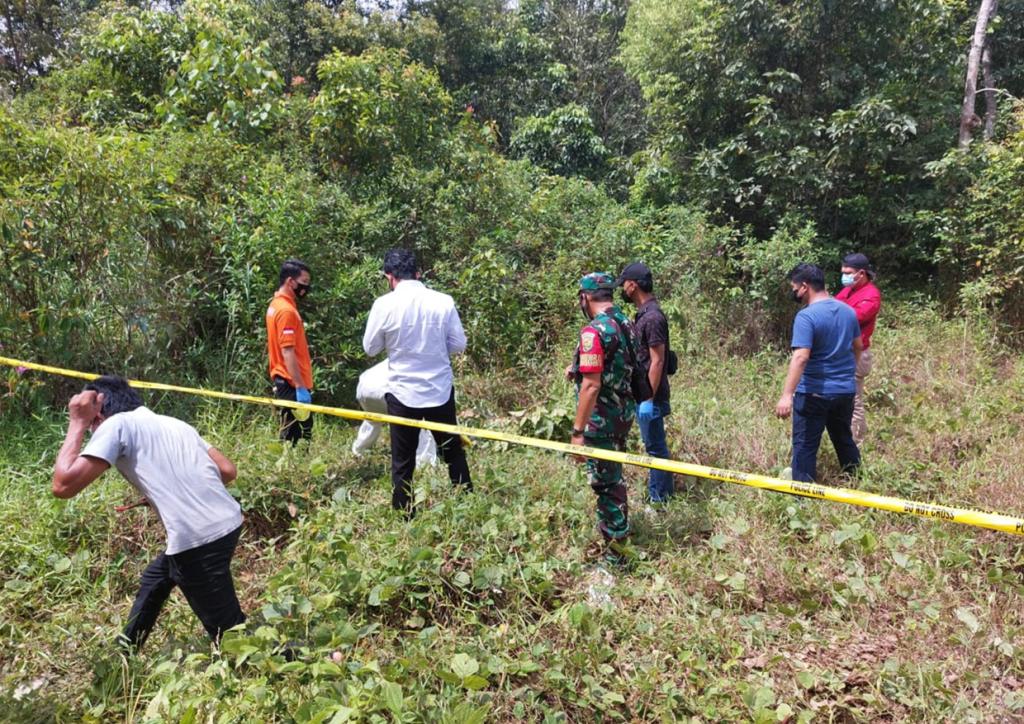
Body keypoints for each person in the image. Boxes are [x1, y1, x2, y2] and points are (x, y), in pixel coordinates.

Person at [51, 376, 245, 650]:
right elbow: (227, 470)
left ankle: (301, 661)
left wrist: (78, 423)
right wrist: (170, 492)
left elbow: (63, 485)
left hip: (199, 538)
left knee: (233, 637)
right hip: (229, 520)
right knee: (157, 578)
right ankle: (126, 651)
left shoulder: (116, 425)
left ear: (99, 409)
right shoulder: (174, 423)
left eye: (92, 419)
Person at [362, 249, 472, 515]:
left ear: (389, 276)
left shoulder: (383, 305)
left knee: (402, 460)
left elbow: (371, 348)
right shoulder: (443, 301)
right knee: (452, 452)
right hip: (439, 391)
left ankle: (404, 515)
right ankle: (467, 504)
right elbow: (459, 344)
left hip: (402, 393)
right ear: (419, 273)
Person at [569, 272, 637, 563]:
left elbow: (592, 384)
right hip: (623, 414)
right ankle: (618, 542)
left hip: (601, 421)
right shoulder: (625, 323)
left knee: (606, 486)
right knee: (613, 479)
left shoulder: (593, 332)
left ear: (585, 298)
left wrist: (577, 431)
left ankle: (616, 557)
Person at [775, 263, 862, 482]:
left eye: (795, 289)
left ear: (805, 287)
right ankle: (857, 482)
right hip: (844, 391)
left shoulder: (807, 317)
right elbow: (858, 346)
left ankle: (802, 499)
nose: (795, 294)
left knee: (804, 447)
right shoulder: (847, 311)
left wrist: (787, 395)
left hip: (814, 393)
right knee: (844, 440)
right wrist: (847, 373)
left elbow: (801, 357)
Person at [616, 262, 675, 503]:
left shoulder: (652, 318)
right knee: (654, 447)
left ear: (633, 285)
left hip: (650, 395)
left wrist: (648, 399)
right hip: (643, 394)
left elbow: (658, 360)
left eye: (625, 285)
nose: (623, 290)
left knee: (655, 449)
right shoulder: (643, 315)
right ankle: (663, 494)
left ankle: (660, 500)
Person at [351, 358, 438, 468]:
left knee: (372, 419)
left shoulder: (402, 354)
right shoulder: (428, 365)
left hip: (364, 388)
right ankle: (424, 463)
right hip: (386, 389)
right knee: (422, 423)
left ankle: (359, 449)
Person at [835, 253, 882, 445]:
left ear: (861, 273)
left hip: (857, 354)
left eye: (848, 272)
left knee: (854, 401)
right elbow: (833, 306)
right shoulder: (848, 291)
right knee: (842, 399)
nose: (844, 276)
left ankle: (856, 443)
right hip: (842, 352)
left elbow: (850, 317)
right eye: (843, 272)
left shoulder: (871, 295)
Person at [266, 259, 314, 446]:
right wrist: (300, 386)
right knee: (298, 436)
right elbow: (287, 351)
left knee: (290, 432)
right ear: (290, 281)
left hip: (285, 379)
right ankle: (291, 472)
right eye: (304, 281)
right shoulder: (286, 311)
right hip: (291, 382)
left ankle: (290, 470)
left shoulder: (275, 305)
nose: (306, 287)